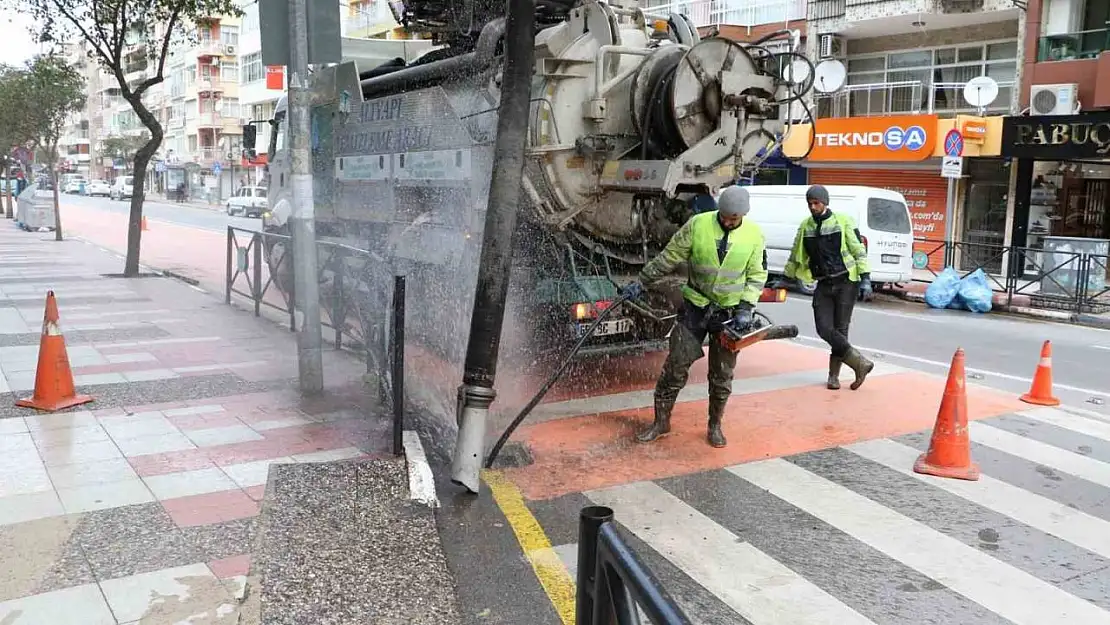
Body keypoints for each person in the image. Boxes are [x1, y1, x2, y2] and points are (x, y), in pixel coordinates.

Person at [620, 186, 768, 448]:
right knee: (675, 366)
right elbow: (669, 257)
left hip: (729, 315)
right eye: (724, 216)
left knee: (722, 375)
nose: (728, 221)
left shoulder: (754, 235)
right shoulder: (698, 225)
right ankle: (661, 422)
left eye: (734, 218)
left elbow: (757, 275)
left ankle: (715, 426)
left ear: (743, 215)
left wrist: (746, 307)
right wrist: (642, 281)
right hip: (695, 308)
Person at [779, 184, 874, 391]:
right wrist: (785, 277)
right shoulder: (806, 226)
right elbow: (796, 254)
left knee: (840, 329)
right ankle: (859, 363)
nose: (813, 207)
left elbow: (858, 251)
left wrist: (866, 278)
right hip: (823, 283)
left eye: (816, 203)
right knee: (824, 328)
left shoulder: (843, 221)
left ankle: (834, 376)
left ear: (825, 202)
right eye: (810, 203)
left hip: (846, 282)